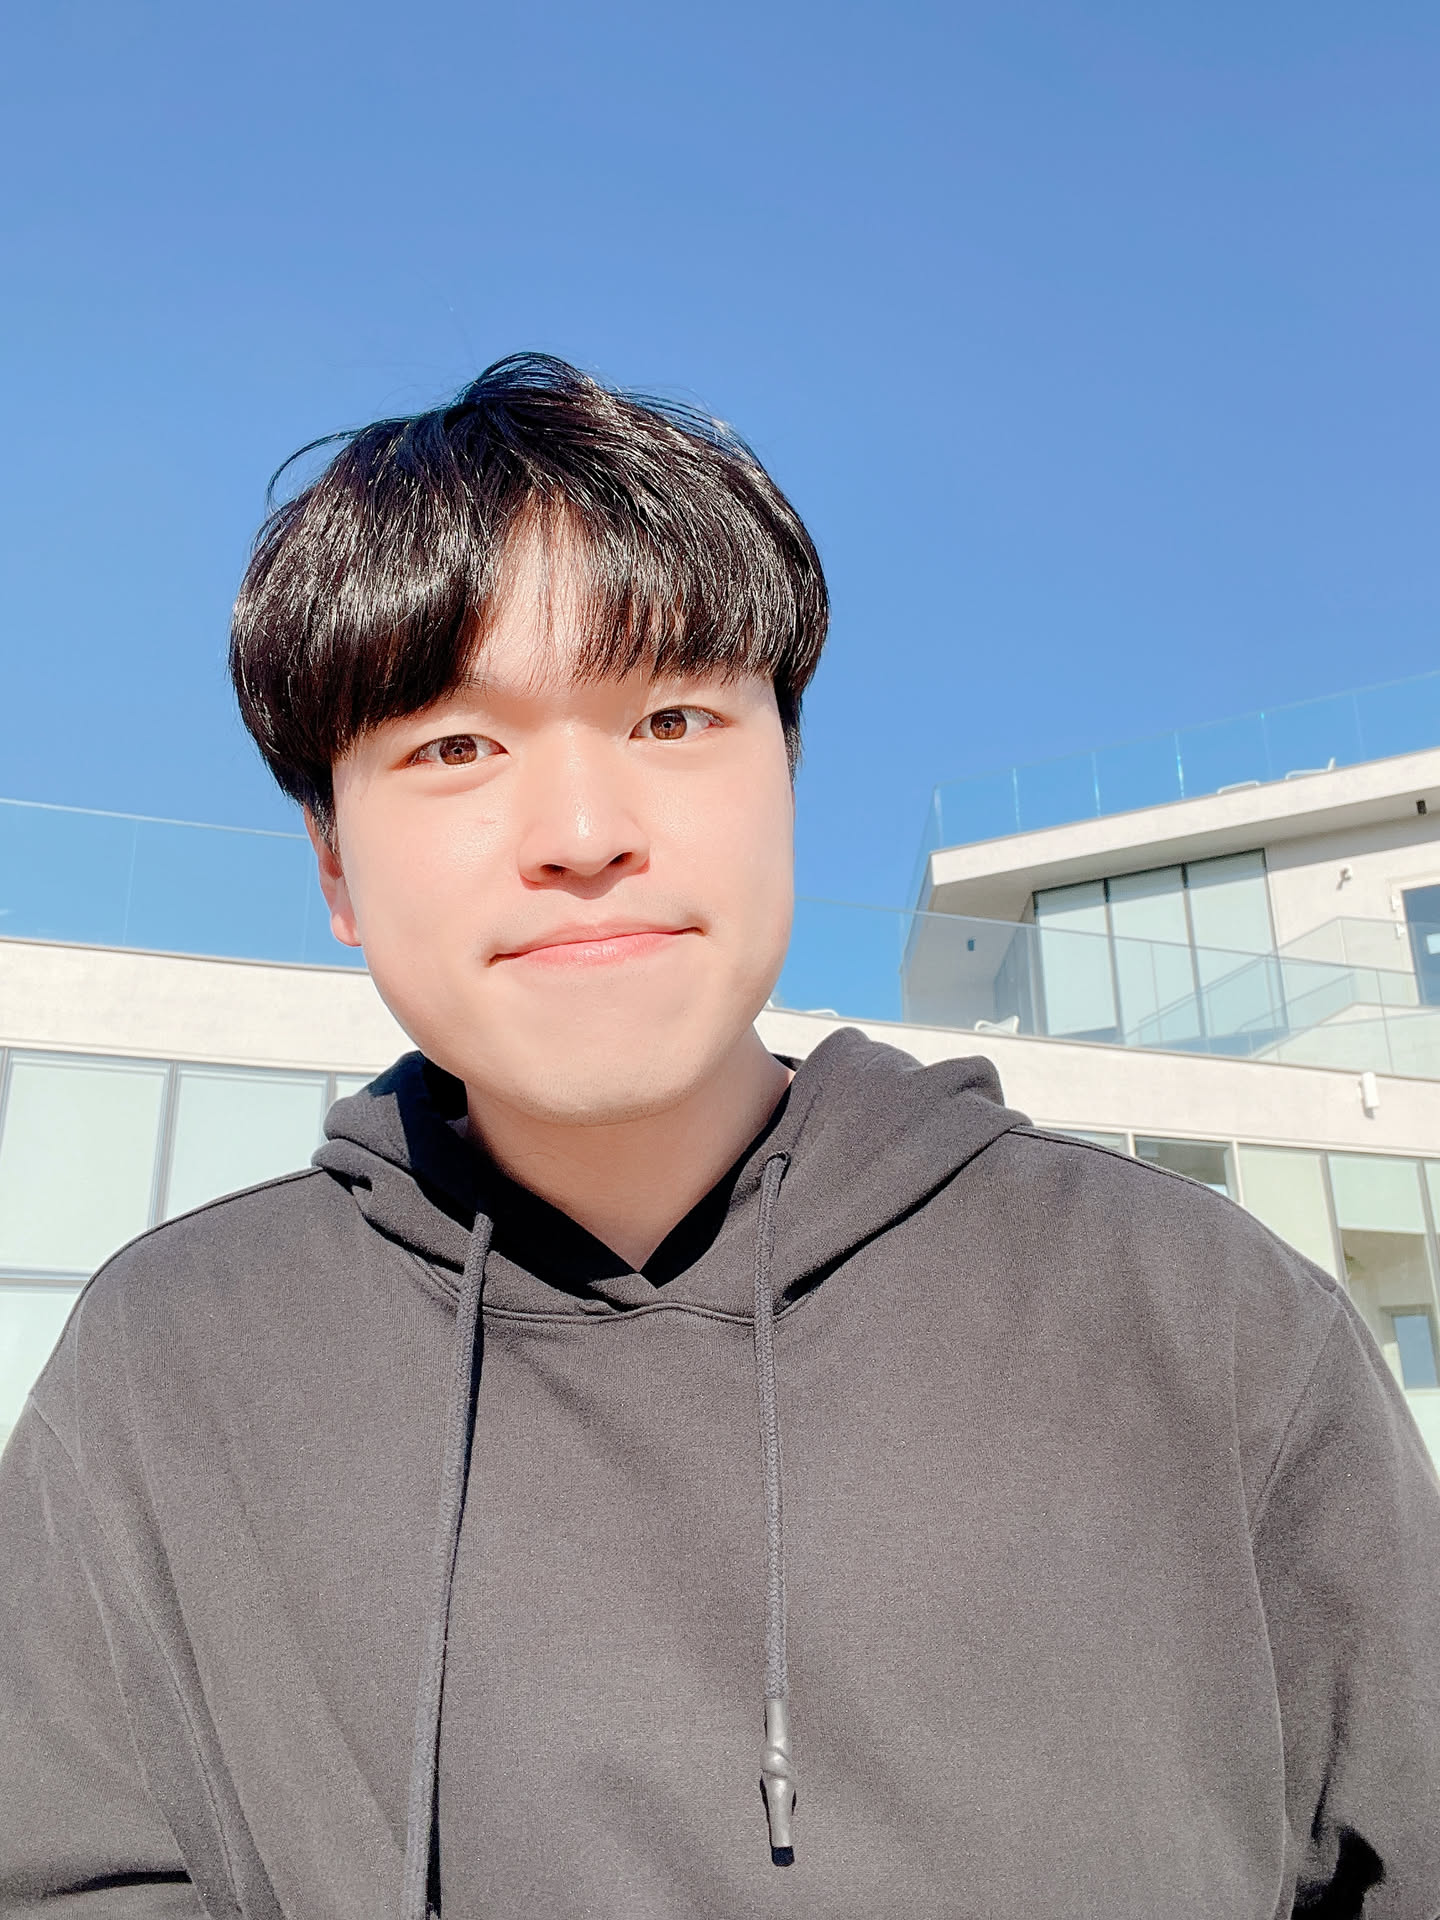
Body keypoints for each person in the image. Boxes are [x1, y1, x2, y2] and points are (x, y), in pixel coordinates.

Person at [2, 354, 1439, 1920]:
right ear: (335, 869)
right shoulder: (168, 1372)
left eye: (673, 716)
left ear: (789, 780)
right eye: (454, 747)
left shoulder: (1199, 1317)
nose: (582, 835)